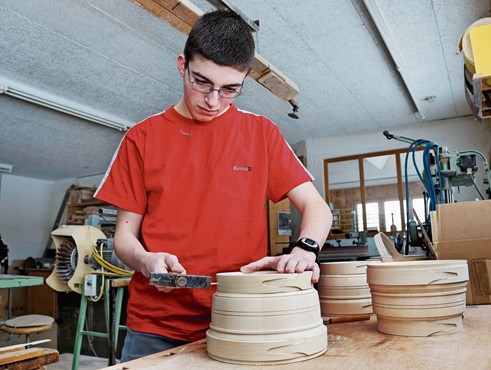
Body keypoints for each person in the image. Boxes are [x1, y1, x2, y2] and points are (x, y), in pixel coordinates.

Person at [94, 10, 332, 362]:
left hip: (243, 318)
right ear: (182, 65)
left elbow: (317, 208)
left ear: (245, 79)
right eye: (201, 82)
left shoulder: (261, 134)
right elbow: (124, 238)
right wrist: (145, 259)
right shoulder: (141, 138)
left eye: (230, 89)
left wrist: (305, 249)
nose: (213, 100)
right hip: (157, 327)